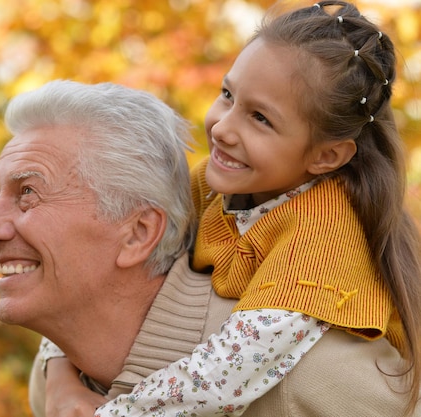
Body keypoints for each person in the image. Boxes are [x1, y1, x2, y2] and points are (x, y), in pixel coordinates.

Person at [33, 1, 421, 416]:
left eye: (260, 118)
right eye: (227, 94)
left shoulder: (323, 234)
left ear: (326, 156)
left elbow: (223, 376)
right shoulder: (213, 184)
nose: (222, 127)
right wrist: (58, 372)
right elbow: (99, 259)